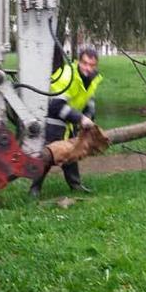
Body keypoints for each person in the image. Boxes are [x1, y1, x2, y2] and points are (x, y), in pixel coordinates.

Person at [30, 47, 103, 196]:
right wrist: (80, 119)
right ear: (78, 61)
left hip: (69, 120)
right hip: (52, 118)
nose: (88, 68)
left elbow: (89, 101)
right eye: (84, 63)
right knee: (50, 154)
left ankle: (75, 184)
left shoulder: (93, 78)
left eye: (91, 65)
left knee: (71, 151)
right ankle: (35, 188)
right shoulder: (67, 75)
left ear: (96, 65)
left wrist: (89, 118)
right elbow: (56, 106)